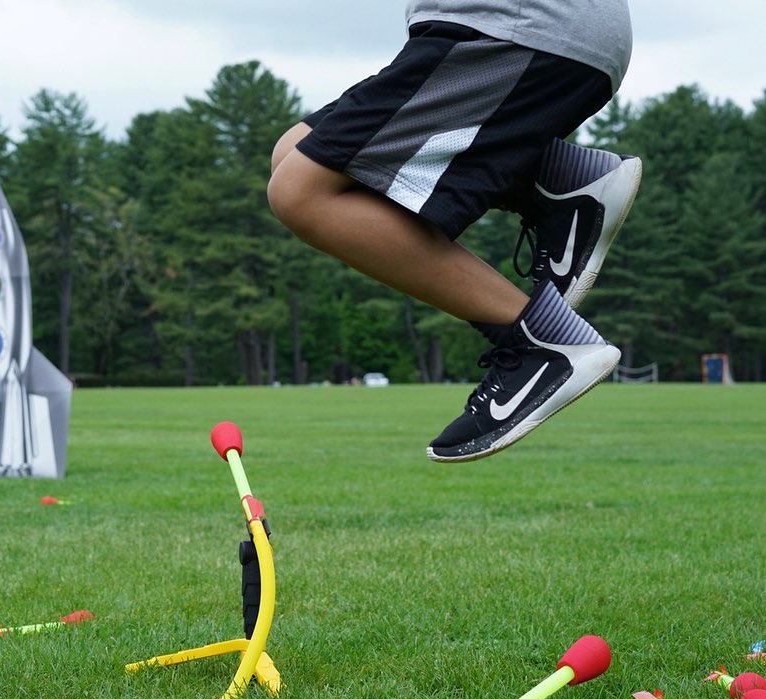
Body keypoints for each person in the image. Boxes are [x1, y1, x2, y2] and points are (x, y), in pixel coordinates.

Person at [267, 1, 642, 462]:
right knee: (291, 155)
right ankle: (557, 184)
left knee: (303, 194)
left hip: (518, 28)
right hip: (530, 28)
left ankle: (543, 343)